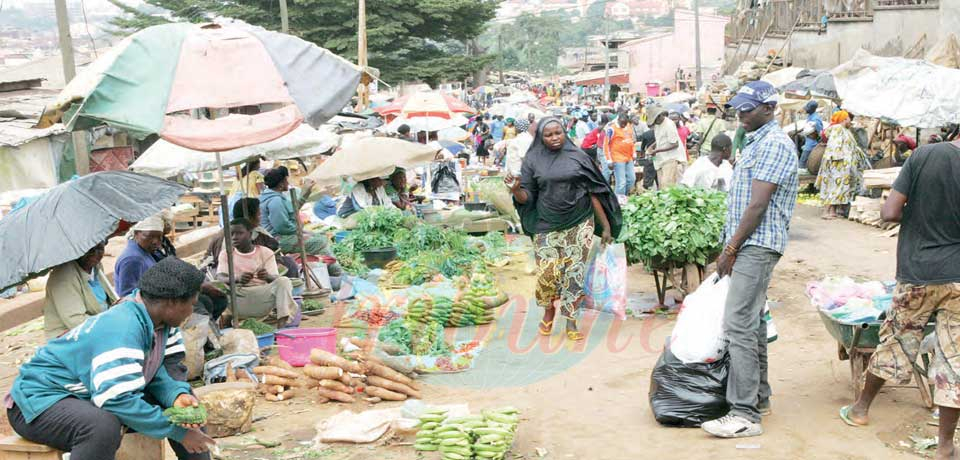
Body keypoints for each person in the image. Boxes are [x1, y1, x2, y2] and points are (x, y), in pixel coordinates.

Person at [7, 257, 216, 460]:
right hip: (39, 401)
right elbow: (116, 399)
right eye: (191, 304)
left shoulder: (162, 325)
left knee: (188, 413)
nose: (191, 311)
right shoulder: (123, 327)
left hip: (89, 394)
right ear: (171, 302)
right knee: (101, 427)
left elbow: (156, 372)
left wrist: (176, 396)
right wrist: (179, 433)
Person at [840, 139, 960, 460]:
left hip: (919, 272)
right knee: (955, 359)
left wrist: (922, 216)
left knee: (896, 342)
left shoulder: (925, 155)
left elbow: (890, 212)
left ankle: (861, 408)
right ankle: (946, 445)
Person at [702, 81, 798, 439]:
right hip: (748, 244)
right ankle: (759, 398)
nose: (740, 115)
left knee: (738, 323)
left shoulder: (773, 144)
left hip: (756, 245)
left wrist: (731, 249)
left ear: (769, 109)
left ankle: (743, 413)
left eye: (748, 109)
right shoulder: (756, 141)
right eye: (738, 109)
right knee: (753, 322)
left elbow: (757, 204)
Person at [507, 117, 622, 341]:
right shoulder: (532, 160)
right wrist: (516, 190)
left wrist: (606, 226)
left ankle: (571, 319)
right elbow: (526, 198)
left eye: (557, 133)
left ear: (564, 132)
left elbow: (593, 192)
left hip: (579, 222)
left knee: (574, 273)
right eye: (548, 135)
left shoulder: (578, 157)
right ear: (541, 137)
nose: (554, 138)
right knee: (547, 273)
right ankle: (549, 310)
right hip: (546, 223)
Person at [259, 168, 341, 277]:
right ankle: (336, 272)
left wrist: (306, 192)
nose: (288, 183)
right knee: (319, 242)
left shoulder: (274, 196)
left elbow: (293, 210)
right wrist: (299, 229)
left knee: (318, 237)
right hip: (279, 239)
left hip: (282, 236)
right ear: (281, 184)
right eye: (286, 180)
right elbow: (282, 227)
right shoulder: (275, 201)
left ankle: (328, 271)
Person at [217, 218, 295, 327]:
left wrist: (266, 276)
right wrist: (237, 279)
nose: (234, 237)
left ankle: (281, 327)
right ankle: (226, 323)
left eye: (239, 233)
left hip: (261, 296)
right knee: (216, 288)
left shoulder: (265, 252)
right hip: (238, 297)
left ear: (250, 234)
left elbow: (275, 279)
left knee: (284, 281)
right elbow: (220, 277)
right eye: (231, 234)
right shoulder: (226, 254)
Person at [207, 198, 299, 280]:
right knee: (289, 263)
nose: (260, 218)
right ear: (249, 217)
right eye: (259, 215)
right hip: (230, 277)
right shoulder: (226, 241)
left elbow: (275, 254)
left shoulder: (221, 233)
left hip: (261, 277)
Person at [43, 241, 117, 340]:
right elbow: (76, 321)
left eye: (100, 248)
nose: (95, 253)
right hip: (71, 337)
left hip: (97, 327)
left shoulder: (96, 267)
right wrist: (110, 325)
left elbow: (110, 300)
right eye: (90, 248)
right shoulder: (64, 275)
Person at [815, 110, 866, 219]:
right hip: (838, 164)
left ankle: (833, 211)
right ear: (843, 119)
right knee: (834, 186)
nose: (850, 120)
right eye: (848, 118)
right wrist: (840, 161)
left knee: (840, 187)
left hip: (842, 164)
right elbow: (835, 146)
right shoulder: (838, 129)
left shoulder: (844, 130)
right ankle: (826, 212)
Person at [115, 215, 164, 298]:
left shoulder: (144, 252)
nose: (155, 241)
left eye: (159, 237)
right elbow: (128, 296)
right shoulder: (133, 259)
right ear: (136, 234)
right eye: (150, 236)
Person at [646, 106, 686, 189]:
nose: (655, 123)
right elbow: (660, 138)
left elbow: (675, 144)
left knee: (667, 185)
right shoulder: (658, 124)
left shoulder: (669, 125)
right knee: (661, 185)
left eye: (655, 120)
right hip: (661, 158)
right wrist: (651, 146)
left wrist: (656, 150)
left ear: (660, 116)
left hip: (670, 158)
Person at [603, 110, 637, 196]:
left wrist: (634, 153)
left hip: (629, 158)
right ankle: (619, 201)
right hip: (617, 158)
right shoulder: (611, 129)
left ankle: (624, 197)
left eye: (625, 123)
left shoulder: (628, 126)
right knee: (621, 182)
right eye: (622, 123)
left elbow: (631, 141)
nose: (623, 125)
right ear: (618, 120)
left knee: (632, 179)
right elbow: (606, 145)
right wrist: (609, 160)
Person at [799, 100, 824, 169]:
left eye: (807, 108)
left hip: (812, 144)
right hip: (808, 142)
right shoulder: (810, 116)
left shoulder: (816, 119)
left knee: (802, 162)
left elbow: (820, 132)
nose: (806, 110)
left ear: (812, 109)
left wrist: (814, 135)